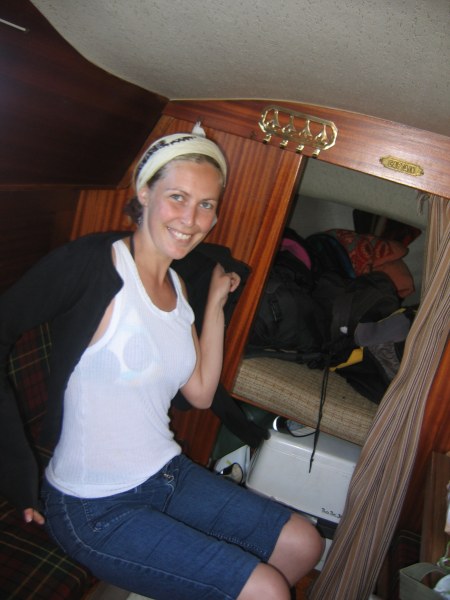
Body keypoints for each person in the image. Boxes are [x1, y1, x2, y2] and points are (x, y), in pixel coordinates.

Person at [0, 131, 323, 600]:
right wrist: (16, 474)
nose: (192, 220)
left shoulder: (178, 285)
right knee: (267, 589)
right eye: (178, 197)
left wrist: (215, 304)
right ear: (144, 192)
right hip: (94, 506)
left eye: (207, 205)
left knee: (304, 543)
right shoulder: (93, 264)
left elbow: (200, 393)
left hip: (168, 474)